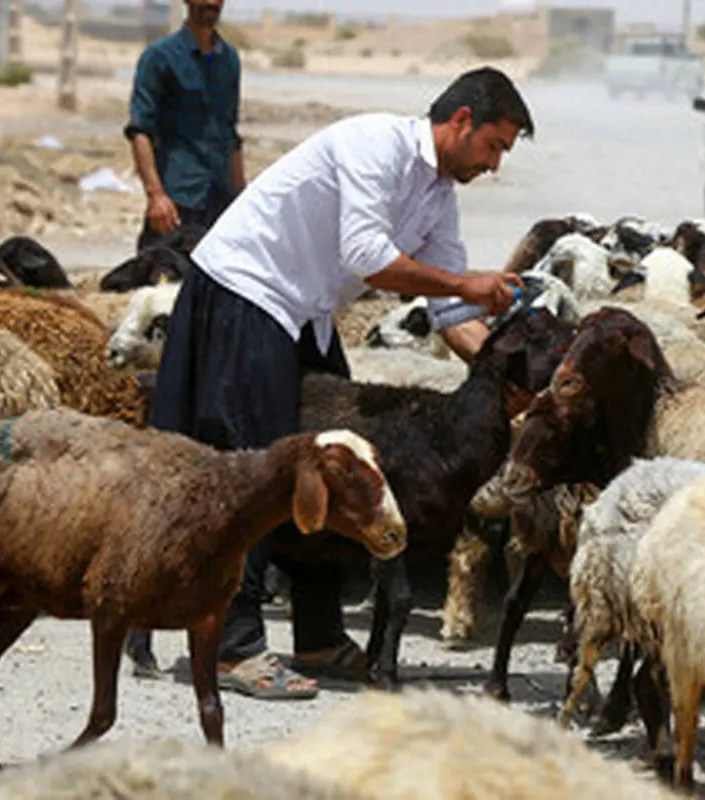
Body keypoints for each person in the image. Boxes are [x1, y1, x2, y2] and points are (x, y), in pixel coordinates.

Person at [124, 66, 535, 699]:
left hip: (303, 311)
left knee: (336, 461)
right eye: (495, 146)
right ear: (461, 123)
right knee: (258, 463)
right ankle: (234, 647)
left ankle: (316, 635)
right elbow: (367, 257)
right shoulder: (375, 146)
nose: (496, 164)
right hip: (246, 289)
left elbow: (453, 316)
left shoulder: (437, 197)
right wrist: (466, 285)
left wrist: (505, 381)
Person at [124, 0, 245, 253]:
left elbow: (231, 134)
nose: (211, 2)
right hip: (177, 202)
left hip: (220, 201)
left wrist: (241, 199)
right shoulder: (159, 57)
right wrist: (155, 195)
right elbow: (140, 131)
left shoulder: (229, 59)